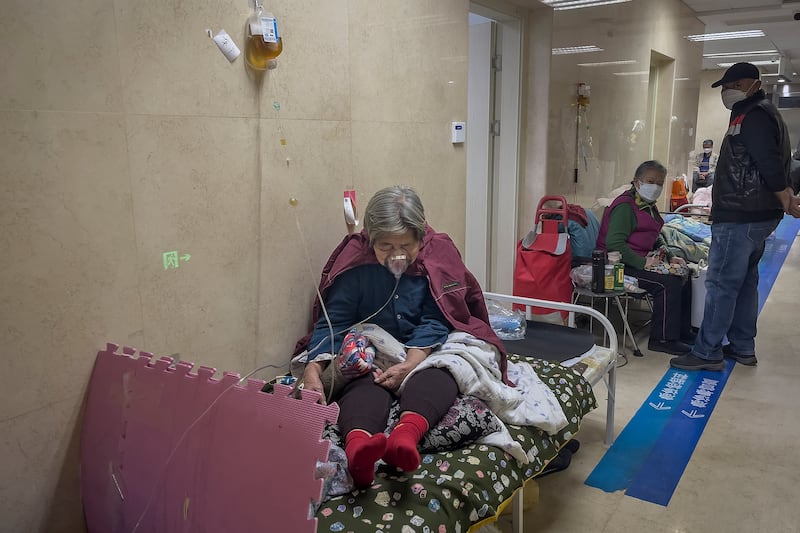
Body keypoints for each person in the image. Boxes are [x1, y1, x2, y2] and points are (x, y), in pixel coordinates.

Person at [294, 185, 507, 487]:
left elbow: (438, 318)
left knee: (444, 372)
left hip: (426, 347)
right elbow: (335, 322)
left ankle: (404, 438)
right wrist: (315, 370)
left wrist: (411, 363)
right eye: (385, 247)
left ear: (421, 236)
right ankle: (358, 451)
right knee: (362, 381)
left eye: (406, 245)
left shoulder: (438, 256)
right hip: (374, 342)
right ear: (369, 239)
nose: (397, 256)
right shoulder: (355, 264)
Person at [670, 62, 800, 371]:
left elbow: (768, 162)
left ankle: (707, 351)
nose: (726, 92)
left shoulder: (753, 115)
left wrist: (786, 199)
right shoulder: (763, 112)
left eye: (731, 86)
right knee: (744, 283)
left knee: (721, 284)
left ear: (747, 84)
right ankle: (743, 346)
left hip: (741, 214)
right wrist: (783, 199)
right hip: (755, 214)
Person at [596, 160, 694, 356]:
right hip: (618, 263)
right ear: (637, 181)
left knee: (683, 273)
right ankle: (662, 339)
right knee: (667, 283)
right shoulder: (625, 207)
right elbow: (615, 244)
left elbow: (653, 236)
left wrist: (670, 256)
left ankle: (682, 331)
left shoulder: (648, 205)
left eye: (659, 183)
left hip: (640, 258)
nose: (655, 187)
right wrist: (643, 263)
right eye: (651, 181)